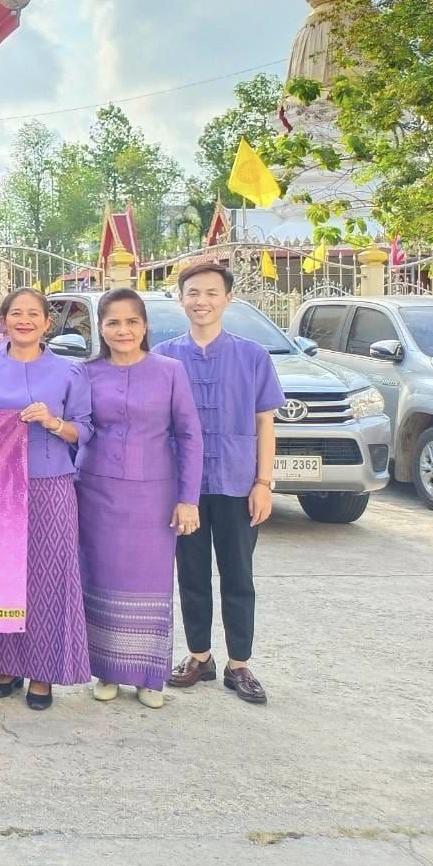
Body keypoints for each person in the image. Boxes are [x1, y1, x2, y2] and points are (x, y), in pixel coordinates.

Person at [154, 263, 284, 706]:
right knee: (191, 574)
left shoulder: (253, 356)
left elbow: (265, 423)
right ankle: (199, 657)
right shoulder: (165, 357)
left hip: (237, 484)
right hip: (184, 490)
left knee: (238, 575)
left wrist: (263, 482)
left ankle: (239, 664)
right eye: (193, 293)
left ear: (228, 298)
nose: (202, 301)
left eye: (211, 293)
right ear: (181, 299)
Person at [0, 287, 92, 711]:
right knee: (4, 575)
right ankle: (7, 667)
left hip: (51, 482)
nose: (24, 321)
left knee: (49, 577)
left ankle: (43, 673)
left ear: (47, 323)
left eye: (33, 314)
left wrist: (53, 423)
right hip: (0, 488)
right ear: (3, 321)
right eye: (16, 313)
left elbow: (84, 429)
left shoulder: (70, 371)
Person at [76, 289, 202, 709]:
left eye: (131, 321)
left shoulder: (169, 371)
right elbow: (75, 428)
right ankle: (107, 670)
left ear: (145, 326)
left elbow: (190, 436)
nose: (123, 330)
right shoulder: (85, 373)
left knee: (150, 581)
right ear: (100, 328)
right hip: (96, 492)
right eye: (113, 322)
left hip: (154, 496)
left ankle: (149, 676)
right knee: (101, 576)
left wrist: (188, 498)